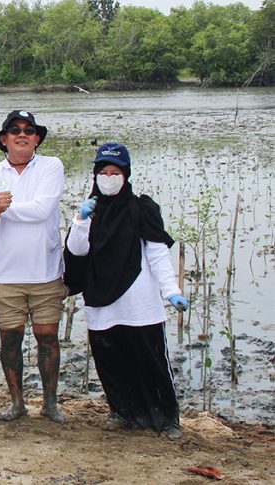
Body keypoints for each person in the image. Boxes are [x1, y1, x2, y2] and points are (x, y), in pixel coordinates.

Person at [64, 143, 187, 439]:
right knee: (111, 360)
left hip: (140, 300)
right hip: (101, 299)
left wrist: (171, 291)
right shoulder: (90, 210)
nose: (109, 178)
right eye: (103, 172)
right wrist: (80, 220)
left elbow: (157, 253)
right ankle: (124, 412)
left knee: (150, 358)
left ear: (126, 175)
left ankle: (166, 417)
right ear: (95, 176)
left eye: (115, 172)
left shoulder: (142, 208)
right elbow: (77, 251)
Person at [0, 111, 67, 423]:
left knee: (47, 339)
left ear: (37, 138)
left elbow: (41, 210)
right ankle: (17, 403)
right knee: (9, 341)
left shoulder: (51, 166)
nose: (22, 135)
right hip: (5, 275)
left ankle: (50, 403)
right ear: (4, 139)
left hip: (45, 273)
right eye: (14, 130)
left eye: (29, 130)